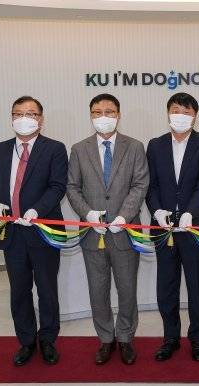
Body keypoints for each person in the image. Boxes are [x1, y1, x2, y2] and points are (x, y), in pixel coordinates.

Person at [0, 96, 68, 366]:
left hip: (43, 230)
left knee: (47, 289)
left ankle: (48, 340)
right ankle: (26, 341)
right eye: (18, 113)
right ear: (11, 118)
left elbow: (57, 186)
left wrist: (37, 210)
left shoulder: (54, 148)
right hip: (12, 233)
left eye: (30, 114)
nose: (23, 118)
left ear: (41, 119)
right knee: (19, 290)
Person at [66, 93, 149, 365]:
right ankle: (105, 339)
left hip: (125, 232)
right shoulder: (79, 149)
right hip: (93, 234)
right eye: (97, 112)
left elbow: (140, 184)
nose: (104, 117)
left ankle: (125, 338)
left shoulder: (134, 147)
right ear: (91, 115)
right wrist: (88, 214)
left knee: (127, 290)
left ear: (118, 115)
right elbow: (72, 187)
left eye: (109, 111)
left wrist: (124, 216)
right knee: (97, 290)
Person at [146, 92, 199, 362]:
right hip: (164, 229)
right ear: (168, 113)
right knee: (166, 287)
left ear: (195, 116)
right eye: (176, 110)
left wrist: (190, 212)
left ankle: (198, 339)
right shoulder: (155, 145)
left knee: (196, 286)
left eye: (186, 111)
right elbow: (151, 185)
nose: (180, 115)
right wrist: (156, 210)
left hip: (196, 227)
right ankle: (170, 338)